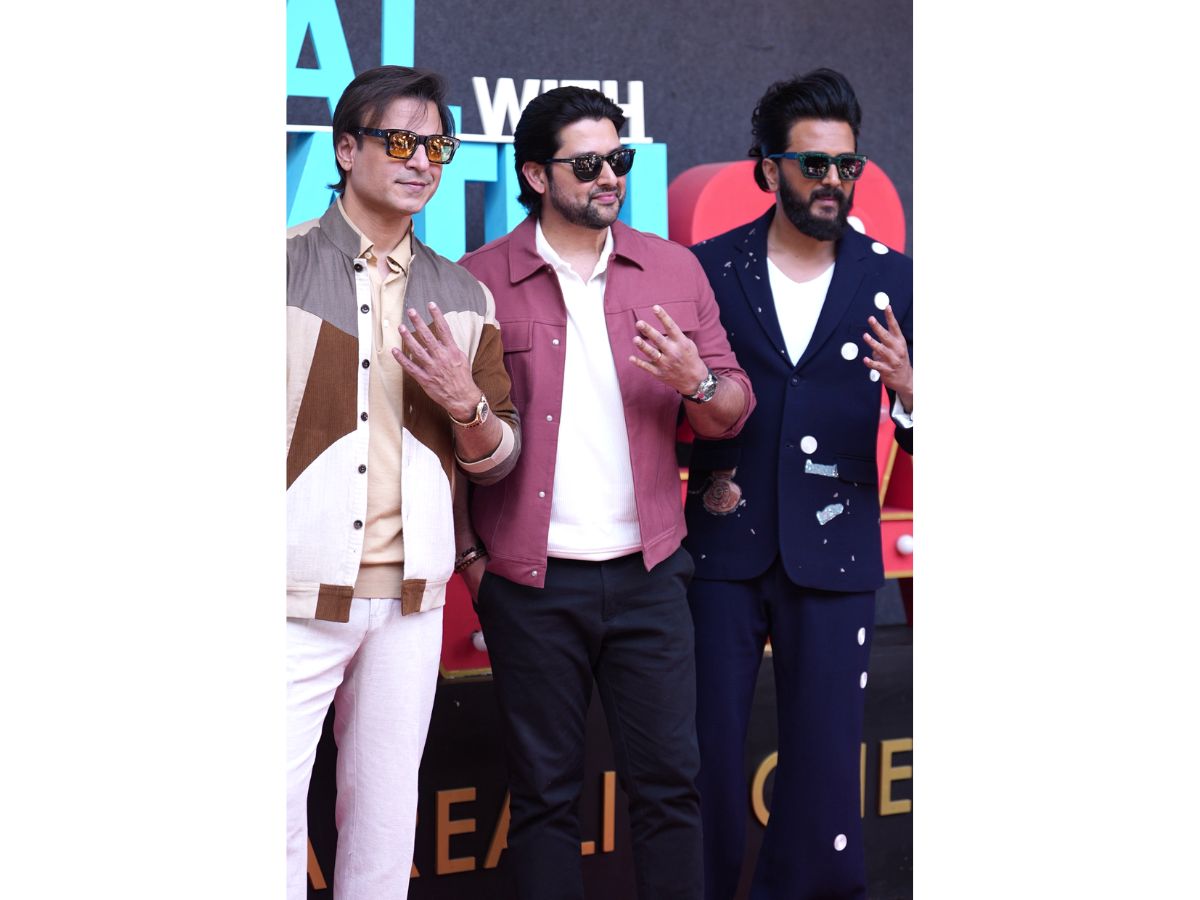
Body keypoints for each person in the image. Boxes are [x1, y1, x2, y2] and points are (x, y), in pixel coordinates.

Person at [456, 86, 755, 900]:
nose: (609, 177)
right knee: (544, 799)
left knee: (670, 790)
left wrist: (696, 381)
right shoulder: (480, 281)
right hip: (529, 582)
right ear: (535, 175)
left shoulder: (674, 269)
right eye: (586, 164)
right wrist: (472, 558)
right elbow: (446, 440)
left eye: (618, 159)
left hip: (650, 576)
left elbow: (732, 408)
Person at [286, 65, 521, 900]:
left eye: (437, 146)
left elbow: (499, 455)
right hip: (287, 594)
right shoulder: (275, 267)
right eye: (398, 141)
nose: (421, 160)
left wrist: (466, 407)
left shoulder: (464, 292)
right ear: (345, 149)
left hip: (412, 602)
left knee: (386, 833)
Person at [683, 68, 913, 900]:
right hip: (721, 548)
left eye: (847, 166)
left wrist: (913, 393)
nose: (833, 181)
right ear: (767, 169)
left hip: (837, 555)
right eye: (813, 165)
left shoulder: (896, 278)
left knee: (823, 778)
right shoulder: (706, 268)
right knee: (701, 760)